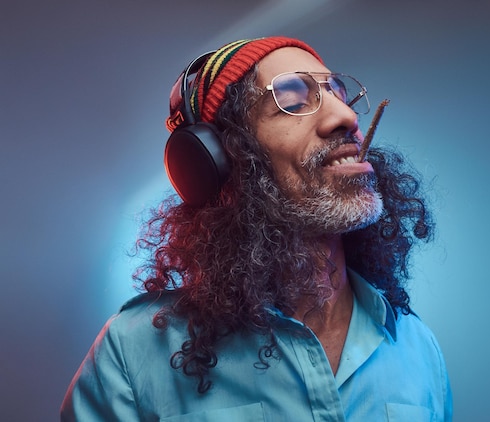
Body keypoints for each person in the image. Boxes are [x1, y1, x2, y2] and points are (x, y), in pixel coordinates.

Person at [61, 36, 453, 421]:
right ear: (223, 160)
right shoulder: (133, 352)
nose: (346, 118)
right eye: (293, 100)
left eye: (337, 93)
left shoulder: (419, 350)